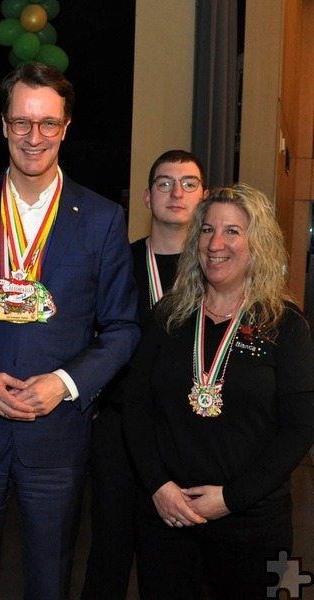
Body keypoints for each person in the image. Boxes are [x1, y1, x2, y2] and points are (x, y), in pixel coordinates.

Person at [0, 62, 140, 600]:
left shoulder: (104, 218)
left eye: (47, 124)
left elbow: (122, 327)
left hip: (57, 435)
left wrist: (62, 382)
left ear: (65, 128)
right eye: (21, 122)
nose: (33, 137)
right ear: (3, 125)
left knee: (49, 578)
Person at [122, 182, 314, 599]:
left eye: (232, 231)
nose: (216, 244)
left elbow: (299, 429)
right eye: (207, 230)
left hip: (252, 523)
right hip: (167, 517)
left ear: (257, 244)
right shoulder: (168, 316)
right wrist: (158, 486)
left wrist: (230, 498)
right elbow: (135, 406)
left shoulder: (285, 326)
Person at [82, 149, 208, 599]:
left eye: (189, 183)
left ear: (204, 196)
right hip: (117, 427)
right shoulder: (118, 265)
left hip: (185, 431)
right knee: (109, 553)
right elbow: (85, 334)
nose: (177, 193)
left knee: (171, 558)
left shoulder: (214, 270)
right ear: (146, 198)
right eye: (165, 183)